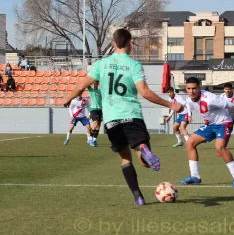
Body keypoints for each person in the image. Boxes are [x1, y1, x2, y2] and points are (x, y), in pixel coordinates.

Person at [62, 28, 183, 206]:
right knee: (143, 161)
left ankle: (138, 197)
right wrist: (170, 105)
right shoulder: (134, 65)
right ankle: (143, 149)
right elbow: (145, 93)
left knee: (125, 158)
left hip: (111, 120)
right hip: (132, 115)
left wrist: (67, 97)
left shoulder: (101, 64)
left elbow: (81, 86)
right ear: (130, 44)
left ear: (113, 44)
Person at [180, 77, 234, 188]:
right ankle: (195, 176)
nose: (191, 91)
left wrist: (233, 119)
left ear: (199, 88)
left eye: (194, 88)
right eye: (188, 88)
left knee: (219, 147)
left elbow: (231, 106)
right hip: (210, 125)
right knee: (189, 143)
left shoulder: (210, 98)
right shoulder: (189, 99)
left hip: (224, 122)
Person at [87, 80, 102, 147]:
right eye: (94, 84)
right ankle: (90, 138)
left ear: (98, 84)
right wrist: (92, 79)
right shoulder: (91, 90)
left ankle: (94, 140)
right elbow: (87, 84)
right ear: (93, 84)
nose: (95, 85)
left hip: (100, 109)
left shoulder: (100, 92)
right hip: (93, 109)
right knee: (95, 124)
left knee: (98, 126)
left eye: (97, 84)